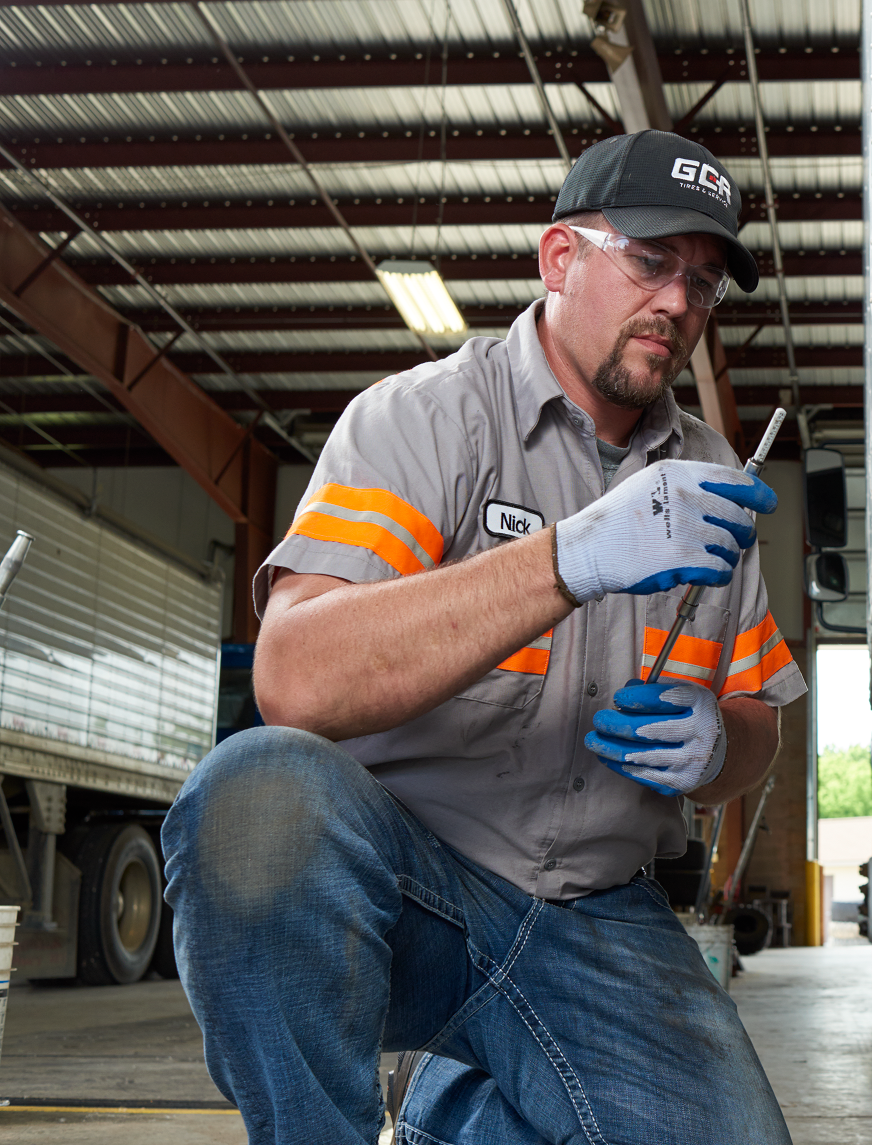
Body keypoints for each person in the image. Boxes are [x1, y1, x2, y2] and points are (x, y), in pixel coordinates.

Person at [160, 130, 805, 1145]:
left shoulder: (711, 475)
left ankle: (467, 1100)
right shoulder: (422, 422)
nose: (679, 304)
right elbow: (294, 677)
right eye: (649, 261)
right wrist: (566, 559)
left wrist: (720, 743)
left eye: (704, 280)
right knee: (257, 795)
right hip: (417, 888)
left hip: (602, 912)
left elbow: (757, 718)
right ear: (559, 259)